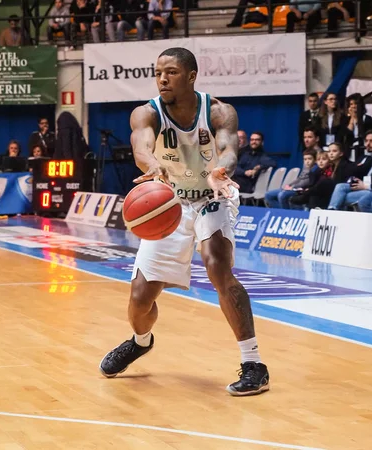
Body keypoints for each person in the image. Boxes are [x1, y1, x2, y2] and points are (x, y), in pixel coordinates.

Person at [99, 48, 270, 397]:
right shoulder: (146, 113)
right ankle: (141, 341)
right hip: (169, 200)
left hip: (212, 194)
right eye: (158, 72)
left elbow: (229, 149)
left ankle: (254, 363)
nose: (162, 78)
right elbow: (141, 147)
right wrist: (151, 165)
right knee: (140, 297)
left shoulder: (220, 111)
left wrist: (223, 170)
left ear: (191, 76)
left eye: (172, 72)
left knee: (217, 264)